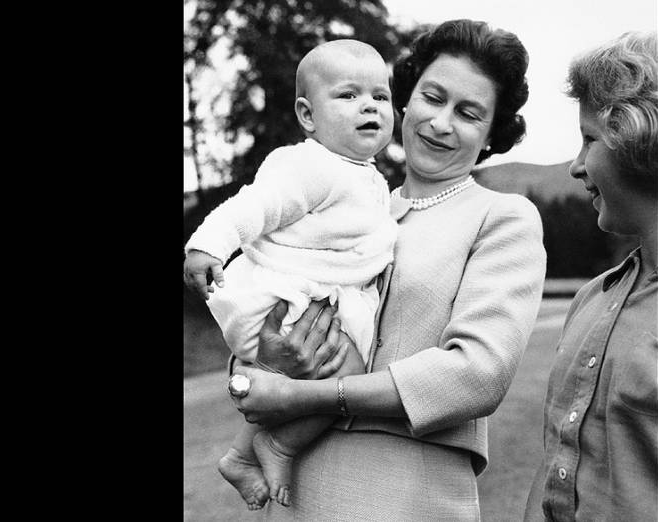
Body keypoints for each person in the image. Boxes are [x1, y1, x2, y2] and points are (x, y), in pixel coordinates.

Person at [226, 19, 547, 519]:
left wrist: (307, 395)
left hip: (408, 488)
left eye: (468, 113)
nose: (441, 123)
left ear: (491, 135)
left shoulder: (503, 218)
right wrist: (260, 364)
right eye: (432, 97)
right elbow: (264, 297)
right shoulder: (348, 204)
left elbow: (477, 374)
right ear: (405, 100)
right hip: (296, 486)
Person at [182, 39, 398, 510]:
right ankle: (275, 445)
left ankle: (241, 454)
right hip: (284, 295)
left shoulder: (367, 176)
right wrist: (208, 244)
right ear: (307, 114)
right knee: (348, 372)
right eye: (348, 95)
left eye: (381, 97)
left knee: (332, 373)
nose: (370, 106)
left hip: (313, 299)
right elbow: (251, 206)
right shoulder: (309, 166)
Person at [523, 31, 658, 521]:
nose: (577, 166)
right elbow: (556, 460)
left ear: (639, 136)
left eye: (588, 139)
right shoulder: (590, 299)